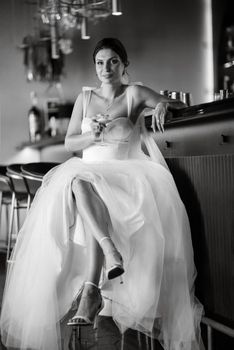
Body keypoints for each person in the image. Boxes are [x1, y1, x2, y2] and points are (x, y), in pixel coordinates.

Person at [0, 38, 204, 350]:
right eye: (99, 62)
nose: (105, 68)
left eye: (112, 62)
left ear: (124, 64)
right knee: (79, 182)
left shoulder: (134, 92)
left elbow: (176, 104)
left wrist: (163, 104)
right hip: (89, 172)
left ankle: (91, 288)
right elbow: (71, 144)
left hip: (124, 173)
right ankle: (107, 259)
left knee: (82, 185)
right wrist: (90, 135)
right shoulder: (85, 97)